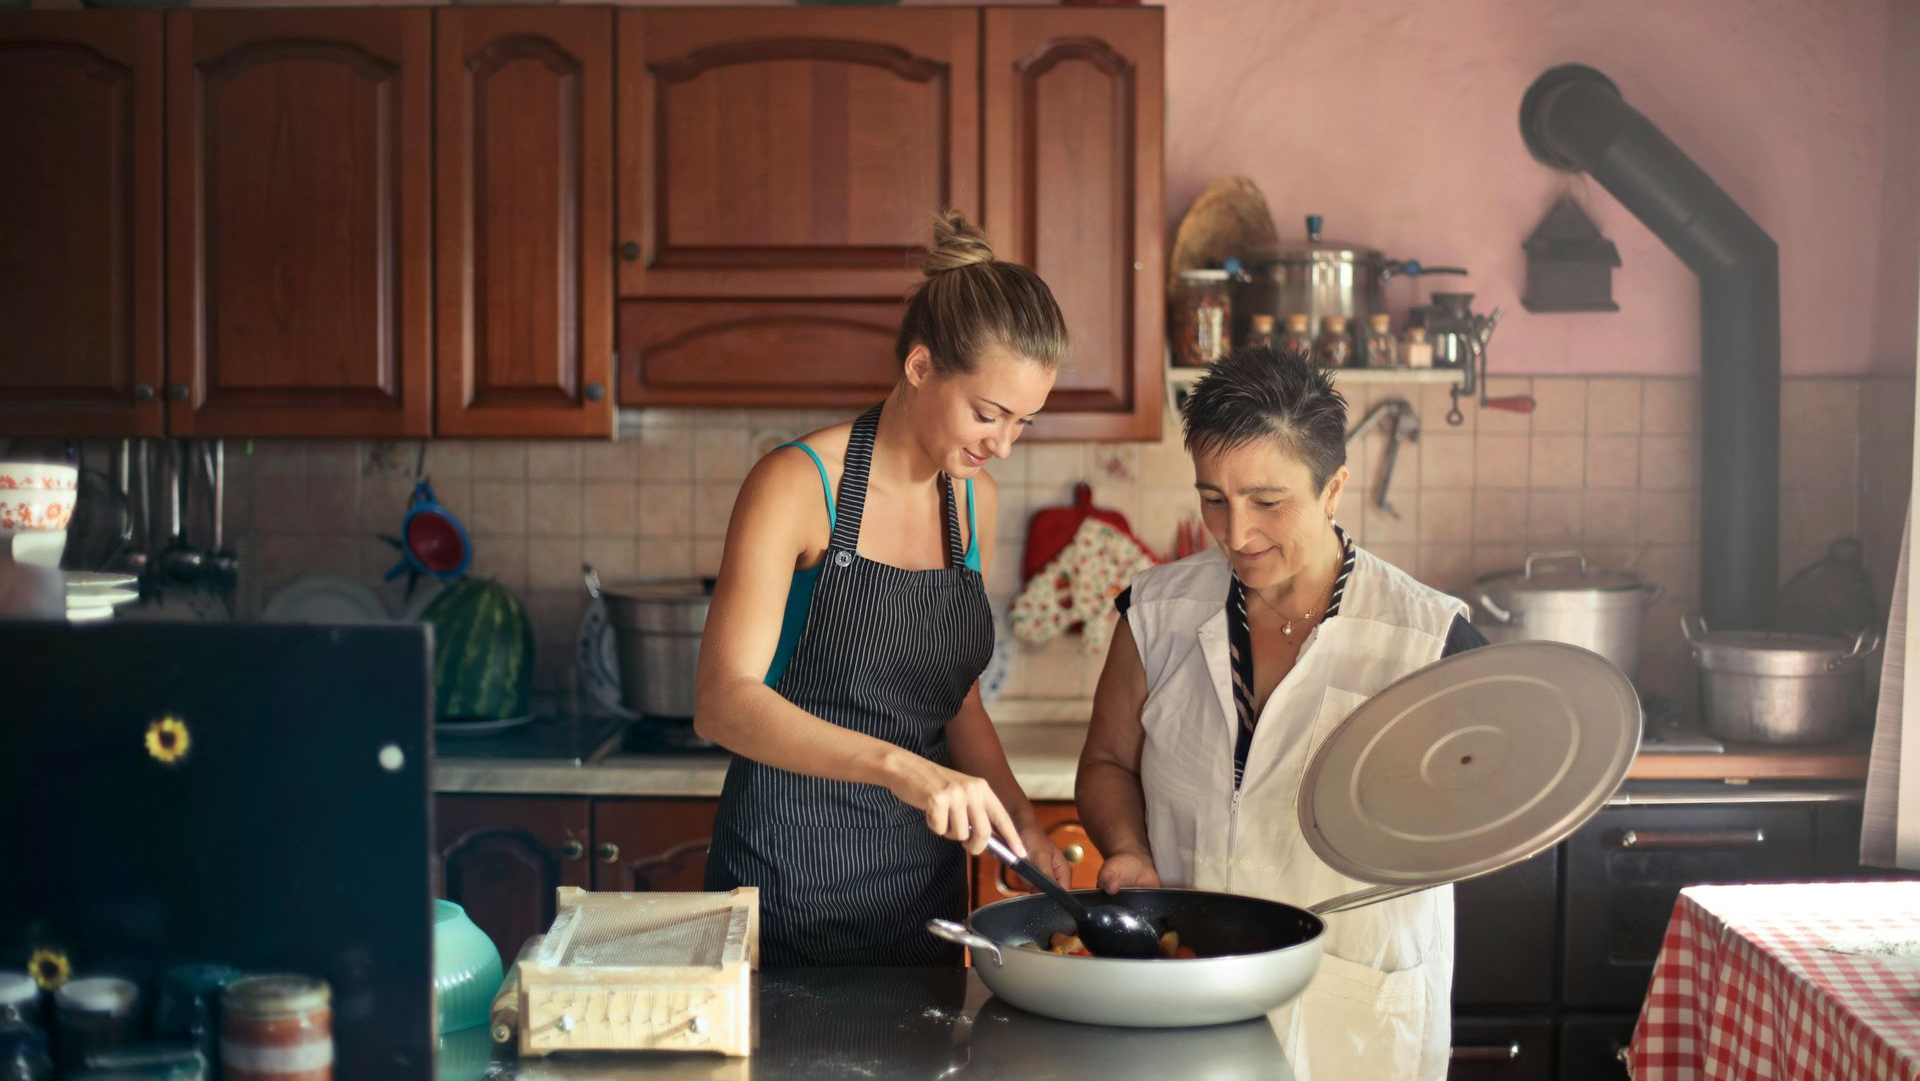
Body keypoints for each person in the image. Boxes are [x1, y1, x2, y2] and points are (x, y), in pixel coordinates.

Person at [1076, 344, 1486, 1079]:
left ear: (1334, 488)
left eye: (1268, 501)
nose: (1236, 533)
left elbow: (1484, 813)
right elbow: (1107, 763)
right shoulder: (1155, 612)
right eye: (1212, 498)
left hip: (1356, 1012)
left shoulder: (1429, 640)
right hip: (1186, 996)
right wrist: (1128, 848)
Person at [694, 211, 1074, 966]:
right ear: (921, 366)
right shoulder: (797, 484)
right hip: (785, 887)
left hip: (923, 901)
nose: (1002, 443)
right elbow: (723, 701)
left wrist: (1022, 819)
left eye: (1023, 422)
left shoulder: (974, 502)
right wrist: (901, 766)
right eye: (988, 413)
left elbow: (954, 698)